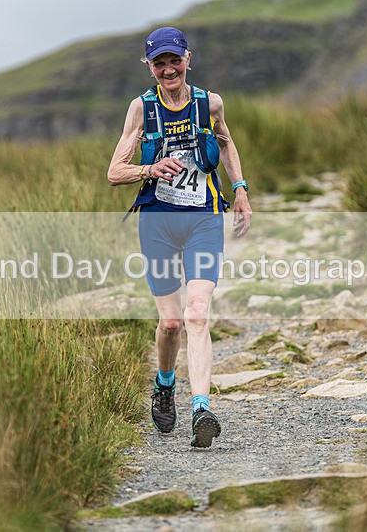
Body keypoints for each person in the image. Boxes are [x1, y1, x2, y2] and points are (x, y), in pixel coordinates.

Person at [107, 27, 252, 448]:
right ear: (149, 67)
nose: (168, 69)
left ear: (188, 59)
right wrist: (150, 169)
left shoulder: (210, 104)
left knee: (197, 315)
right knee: (170, 323)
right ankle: (165, 383)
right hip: (157, 223)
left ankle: (201, 410)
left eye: (175, 60)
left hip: (203, 219)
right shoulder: (142, 109)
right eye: (160, 63)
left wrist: (240, 189)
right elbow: (114, 172)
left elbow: (226, 144)